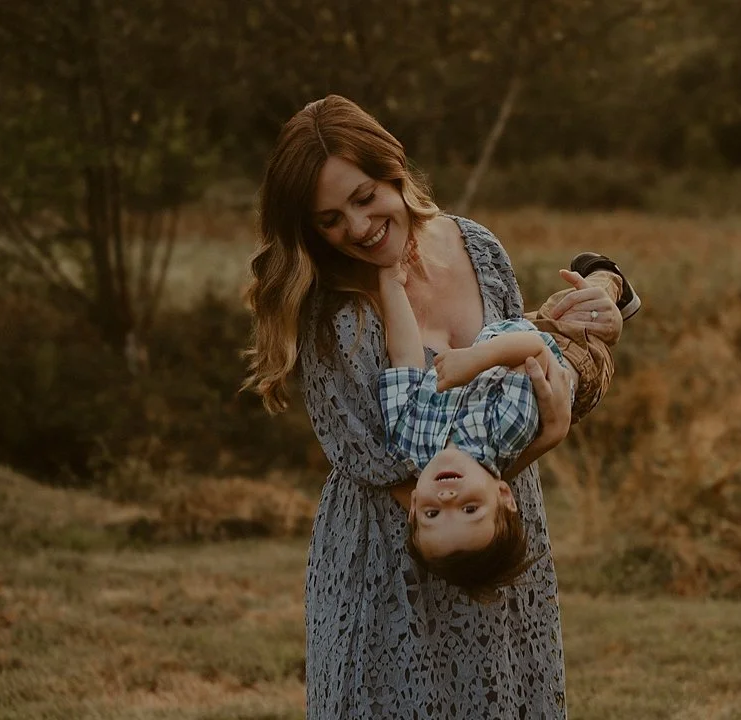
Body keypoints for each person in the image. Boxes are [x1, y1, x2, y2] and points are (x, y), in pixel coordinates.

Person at [242, 94, 624, 719]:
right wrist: (543, 444)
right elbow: (401, 481)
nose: (359, 228)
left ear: (393, 170)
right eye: (330, 219)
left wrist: (603, 303)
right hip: (389, 561)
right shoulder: (325, 310)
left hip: (498, 532)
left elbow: (526, 377)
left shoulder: (476, 246)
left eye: (365, 197)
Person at [376, 256, 639, 602]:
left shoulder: (406, 437)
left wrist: (392, 286)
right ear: (502, 494)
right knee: (579, 306)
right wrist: (475, 359)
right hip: (570, 357)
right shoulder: (506, 431)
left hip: (508, 336)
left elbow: (405, 360)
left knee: (542, 316)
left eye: (432, 513)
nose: (448, 499)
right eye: (471, 509)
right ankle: (613, 279)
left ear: (412, 506)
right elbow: (534, 350)